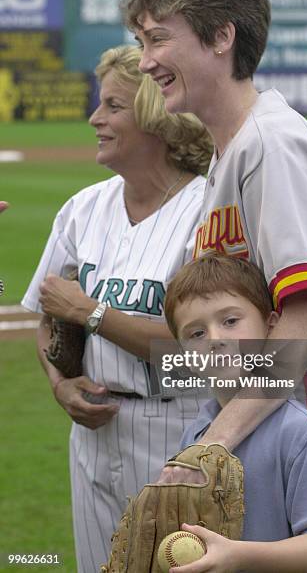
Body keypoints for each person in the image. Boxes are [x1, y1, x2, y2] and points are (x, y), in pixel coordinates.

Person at [122, 0, 307, 571]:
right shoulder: (236, 149)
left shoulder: (273, 146)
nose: (145, 61)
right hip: (267, 407)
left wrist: (212, 444)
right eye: (141, 42)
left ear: (222, 36)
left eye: (159, 38)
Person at [21, 45, 212, 573]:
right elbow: (49, 318)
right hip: (92, 433)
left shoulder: (208, 210)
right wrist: (60, 384)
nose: (95, 119)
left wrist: (93, 313)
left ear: (157, 117)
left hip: (180, 429)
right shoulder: (83, 209)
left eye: (113, 106)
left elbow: (206, 355)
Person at [163, 253, 307, 573]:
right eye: (196, 334)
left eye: (230, 321)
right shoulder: (197, 434)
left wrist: (237, 556)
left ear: (271, 325)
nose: (216, 340)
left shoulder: (300, 431)